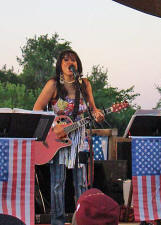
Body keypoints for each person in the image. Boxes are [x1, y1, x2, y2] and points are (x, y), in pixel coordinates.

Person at [33, 49, 104, 225]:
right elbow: (37, 109)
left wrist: (98, 114)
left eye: (73, 60)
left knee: (81, 182)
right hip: (58, 139)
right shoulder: (53, 84)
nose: (69, 62)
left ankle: (83, 220)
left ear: (78, 64)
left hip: (80, 139)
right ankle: (57, 221)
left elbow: (93, 109)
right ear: (60, 64)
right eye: (65, 60)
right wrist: (55, 127)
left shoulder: (84, 84)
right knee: (58, 183)